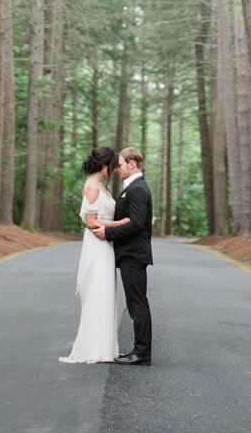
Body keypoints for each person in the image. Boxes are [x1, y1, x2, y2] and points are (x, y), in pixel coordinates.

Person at [59, 146, 129, 363]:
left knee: (106, 294)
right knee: (98, 294)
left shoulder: (100, 185)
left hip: (105, 245)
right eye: (113, 165)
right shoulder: (92, 186)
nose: (114, 170)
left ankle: (105, 348)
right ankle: (93, 349)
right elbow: (90, 222)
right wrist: (120, 223)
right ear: (104, 165)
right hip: (97, 246)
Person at [91, 146, 153, 366]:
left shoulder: (137, 189)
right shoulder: (132, 188)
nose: (116, 169)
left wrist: (108, 232)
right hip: (130, 254)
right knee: (135, 302)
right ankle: (139, 350)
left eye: (120, 165)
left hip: (134, 254)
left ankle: (142, 353)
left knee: (137, 304)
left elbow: (136, 223)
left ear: (131, 164)